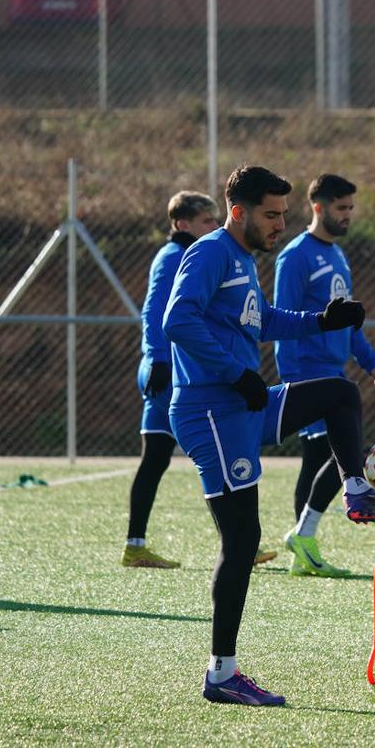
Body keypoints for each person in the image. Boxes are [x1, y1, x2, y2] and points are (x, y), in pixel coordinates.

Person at [165, 165, 375, 706]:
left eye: (284, 213)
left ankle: (355, 489)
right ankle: (221, 674)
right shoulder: (210, 253)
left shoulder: (241, 260)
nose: (281, 224)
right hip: (213, 409)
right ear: (239, 212)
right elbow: (177, 321)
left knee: (338, 392)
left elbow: (264, 320)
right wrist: (234, 373)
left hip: (243, 401)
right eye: (271, 214)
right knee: (242, 542)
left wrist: (322, 321)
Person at [274, 173, 375, 578]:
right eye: (341, 208)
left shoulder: (338, 256)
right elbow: (282, 320)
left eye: (350, 209)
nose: (348, 216)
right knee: (331, 456)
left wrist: (370, 361)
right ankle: (303, 538)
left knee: (321, 457)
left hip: (336, 373)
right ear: (318, 207)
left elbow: (348, 321)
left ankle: (302, 541)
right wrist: (291, 378)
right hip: (307, 372)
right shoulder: (294, 257)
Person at [121, 191, 221, 569]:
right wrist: (159, 359)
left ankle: (135, 546)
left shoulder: (189, 255)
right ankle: (238, 538)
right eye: (207, 221)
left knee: (160, 459)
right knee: (210, 453)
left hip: (171, 369)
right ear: (182, 224)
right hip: (169, 371)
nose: (214, 226)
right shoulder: (174, 256)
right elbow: (153, 310)